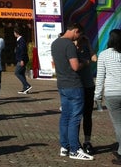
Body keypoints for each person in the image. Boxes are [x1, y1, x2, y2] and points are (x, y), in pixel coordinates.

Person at [50, 22, 93, 161]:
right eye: (78, 34)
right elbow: (75, 66)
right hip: (74, 85)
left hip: (62, 84)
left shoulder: (55, 43)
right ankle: (75, 150)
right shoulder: (69, 45)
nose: (78, 37)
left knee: (65, 117)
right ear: (75, 31)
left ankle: (65, 147)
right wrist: (85, 63)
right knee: (75, 118)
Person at [94, 28, 121, 165]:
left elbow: (100, 78)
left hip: (112, 93)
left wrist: (97, 96)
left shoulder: (104, 54)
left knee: (118, 124)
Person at [76, 33, 97, 155]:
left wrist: (88, 44)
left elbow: (94, 58)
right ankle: (75, 141)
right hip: (77, 86)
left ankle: (87, 141)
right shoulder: (71, 48)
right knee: (76, 116)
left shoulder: (85, 46)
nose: (79, 39)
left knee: (87, 115)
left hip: (89, 85)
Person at [13, 26, 32, 94]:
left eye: (14, 32)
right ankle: (25, 88)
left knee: (17, 72)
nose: (14, 34)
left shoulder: (21, 40)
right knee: (21, 73)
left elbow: (23, 50)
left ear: (16, 33)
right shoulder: (19, 40)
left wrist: (21, 60)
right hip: (21, 59)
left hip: (22, 59)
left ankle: (27, 85)